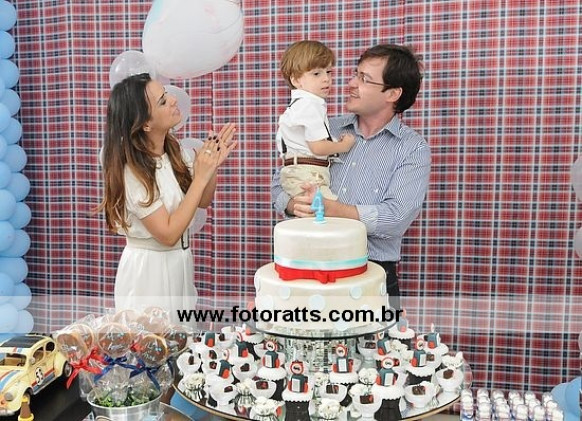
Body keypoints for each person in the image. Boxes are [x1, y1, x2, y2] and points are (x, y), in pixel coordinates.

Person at [271, 44, 431, 310]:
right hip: (306, 266)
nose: (350, 83)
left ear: (393, 93)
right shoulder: (326, 129)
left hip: (371, 272)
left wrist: (334, 210)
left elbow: (396, 217)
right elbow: (281, 181)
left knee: (375, 340)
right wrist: (291, 203)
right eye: (355, 74)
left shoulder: (412, 148)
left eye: (364, 79)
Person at [99, 73, 237, 325]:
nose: (173, 100)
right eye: (163, 101)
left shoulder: (174, 151)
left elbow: (202, 201)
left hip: (179, 263)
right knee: (152, 342)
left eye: (166, 94)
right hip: (148, 274)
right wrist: (200, 177)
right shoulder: (132, 171)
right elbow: (168, 233)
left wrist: (211, 166)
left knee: (182, 337)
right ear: (145, 124)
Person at [276, 40, 355, 200]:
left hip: (298, 171)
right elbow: (317, 147)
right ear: (296, 80)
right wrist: (343, 146)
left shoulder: (298, 105)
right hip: (308, 173)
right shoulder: (310, 105)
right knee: (329, 209)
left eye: (329, 72)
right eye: (316, 74)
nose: (326, 79)